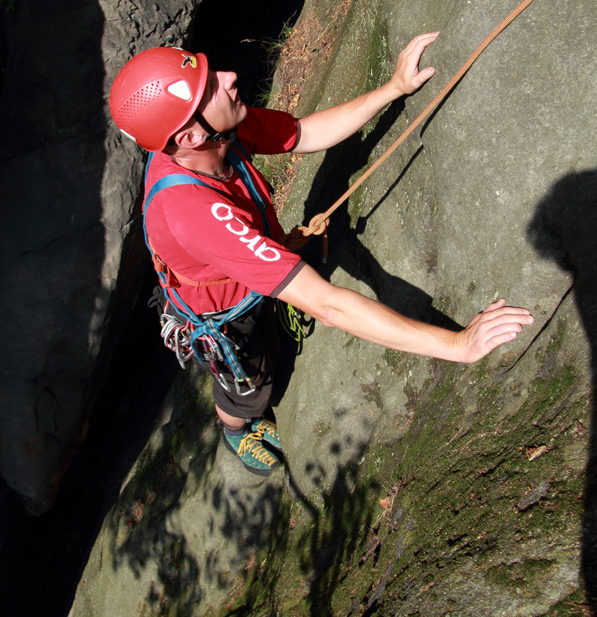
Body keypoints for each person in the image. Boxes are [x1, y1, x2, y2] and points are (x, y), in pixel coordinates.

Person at [109, 32, 533, 476]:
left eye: (211, 73)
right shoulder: (192, 213)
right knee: (250, 386)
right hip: (228, 315)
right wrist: (458, 344)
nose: (229, 77)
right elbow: (327, 305)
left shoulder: (220, 134)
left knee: (272, 338)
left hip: (247, 262)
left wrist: (393, 89)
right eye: (210, 87)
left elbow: (304, 132)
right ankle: (234, 427)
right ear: (190, 135)